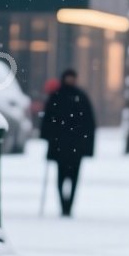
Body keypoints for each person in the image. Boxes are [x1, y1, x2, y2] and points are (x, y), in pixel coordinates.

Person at [40, 68, 96, 216]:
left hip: (73, 145)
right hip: (62, 145)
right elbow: (48, 121)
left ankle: (68, 206)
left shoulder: (79, 97)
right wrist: (48, 136)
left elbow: (89, 125)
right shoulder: (58, 97)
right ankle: (64, 205)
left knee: (73, 177)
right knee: (61, 176)